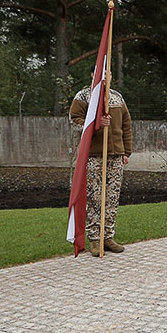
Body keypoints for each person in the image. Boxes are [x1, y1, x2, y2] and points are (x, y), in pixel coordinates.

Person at [69, 83, 133, 256]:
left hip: (116, 155)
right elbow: (74, 122)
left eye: (108, 74)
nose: (106, 77)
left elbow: (126, 125)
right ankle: (95, 239)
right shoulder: (83, 97)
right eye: (103, 74)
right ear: (94, 74)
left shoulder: (117, 97)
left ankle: (108, 236)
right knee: (94, 197)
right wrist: (97, 124)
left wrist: (126, 151)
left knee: (112, 197)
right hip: (93, 155)